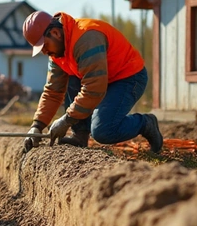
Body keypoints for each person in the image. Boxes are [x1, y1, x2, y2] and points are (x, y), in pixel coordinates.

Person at [21, 10, 163, 153]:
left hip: (128, 77)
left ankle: (145, 123)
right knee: (72, 77)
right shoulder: (57, 53)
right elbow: (53, 91)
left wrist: (67, 120)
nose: (45, 52)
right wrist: (37, 126)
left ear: (55, 33)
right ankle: (79, 136)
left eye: (44, 46)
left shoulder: (86, 37)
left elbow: (94, 88)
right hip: (102, 80)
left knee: (103, 131)